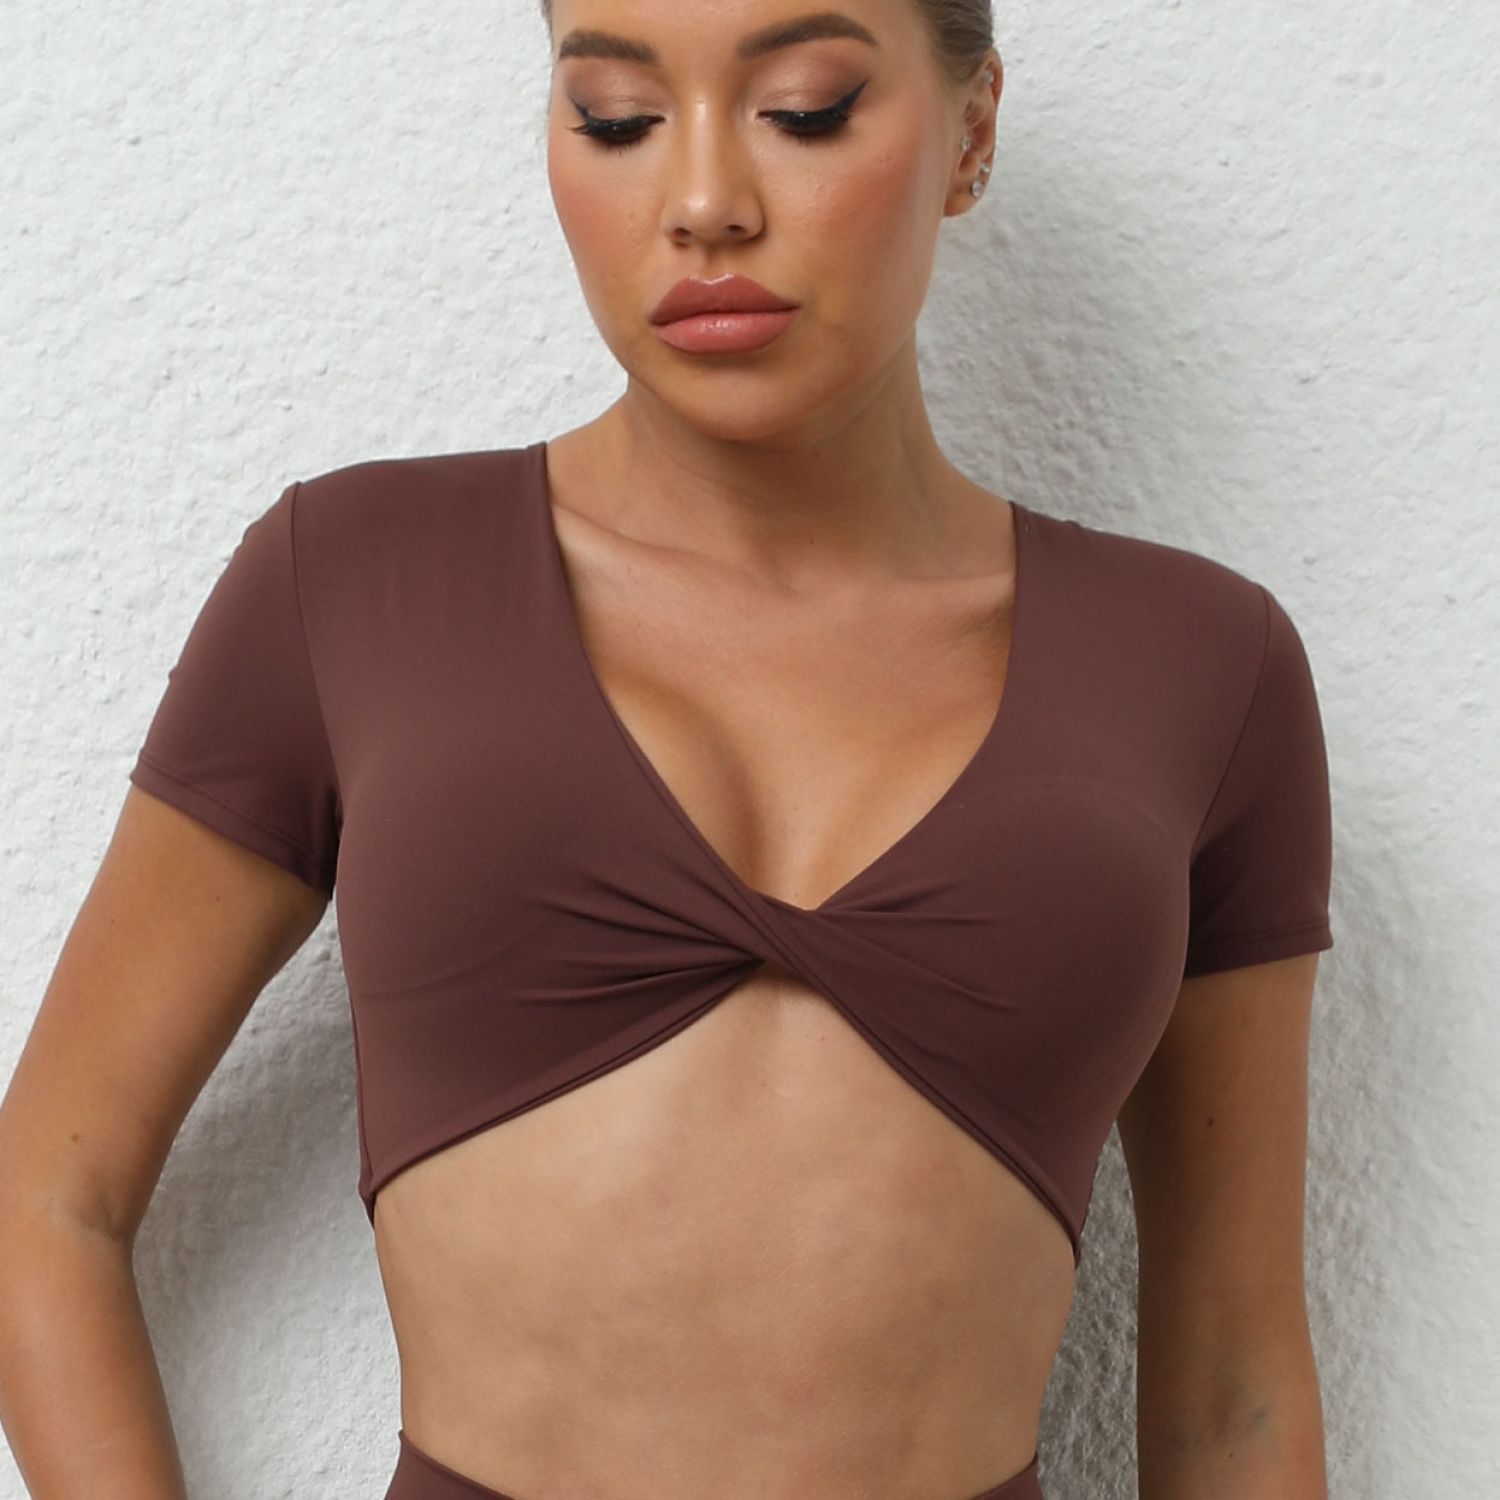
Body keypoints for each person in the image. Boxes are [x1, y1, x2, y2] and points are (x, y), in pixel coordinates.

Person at [0, 2, 1337, 1497]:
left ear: (970, 134)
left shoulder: (1201, 669)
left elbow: (1232, 1388)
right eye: (619, 119)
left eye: (806, 109)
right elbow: (46, 1198)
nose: (704, 203)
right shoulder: (353, 581)